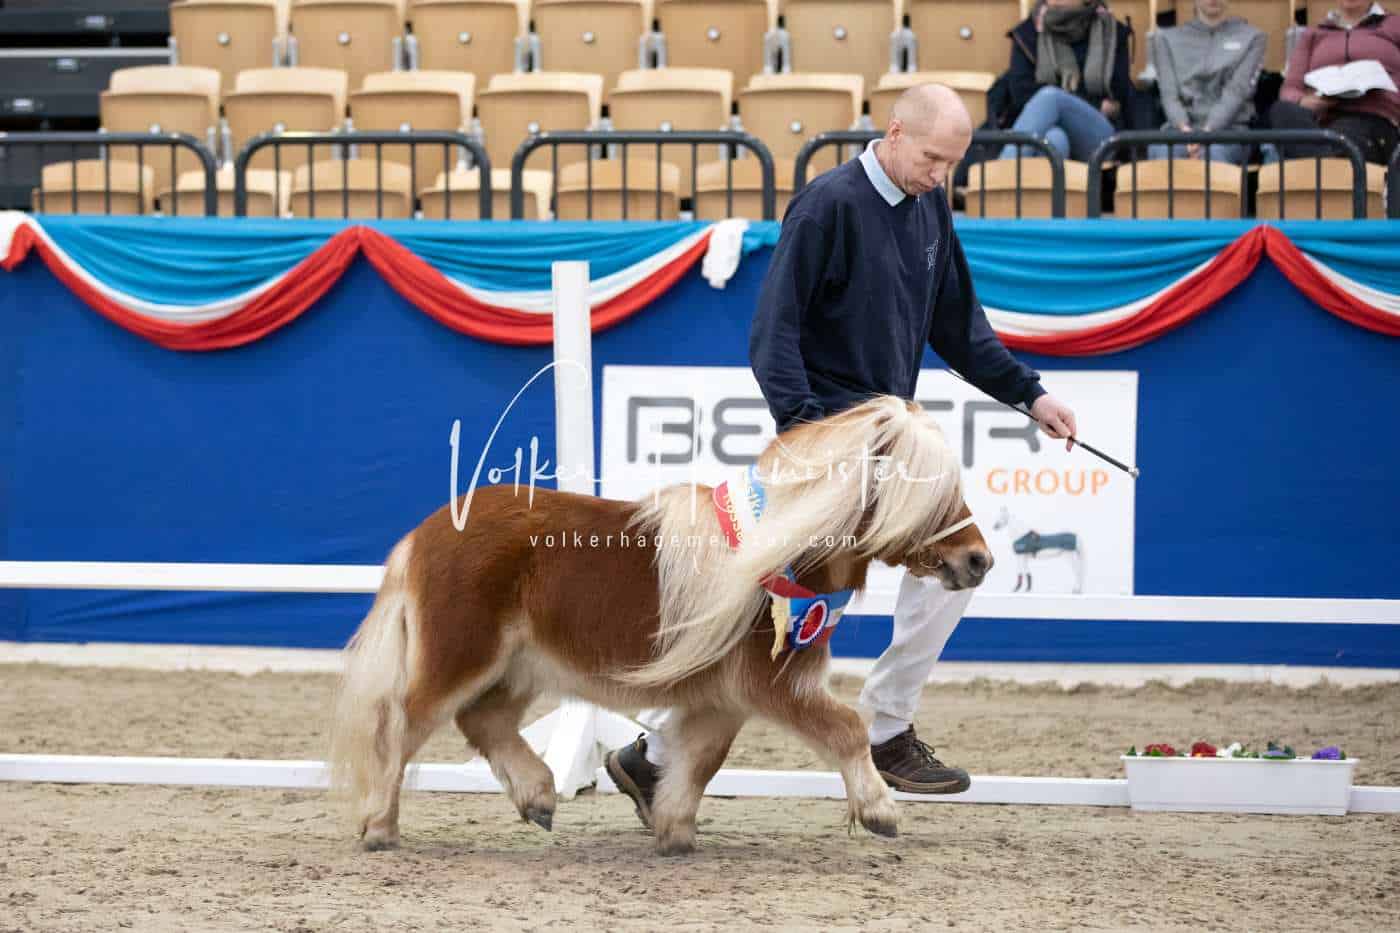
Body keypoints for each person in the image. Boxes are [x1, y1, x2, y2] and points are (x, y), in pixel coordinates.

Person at [605, 84, 1079, 828]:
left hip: (889, 446)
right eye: (932, 159)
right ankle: (660, 756)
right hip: (824, 445)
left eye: (951, 164)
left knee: (954, 565)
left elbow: (959, 326)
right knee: (773, 615)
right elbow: (773, 337)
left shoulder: (930, 205)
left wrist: (1031, 394)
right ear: (894, 133)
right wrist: (812, 441)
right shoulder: (826, 206)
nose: (940, 175)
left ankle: (884, 728)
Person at [998, 0, 1136, 161]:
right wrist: (1094, 102)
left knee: (1050, 97)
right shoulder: (1028, 32)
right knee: (1055, 139)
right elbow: (1021, 94)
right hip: (1046, 127)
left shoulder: (1111, 31)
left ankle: (1001, 172)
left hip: (1100, 137)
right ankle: (1022, 177)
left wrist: (1065, 100)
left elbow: (1118, 93)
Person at [1270, 1, 1400, 164]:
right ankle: (1331, 164)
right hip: (1324, 121)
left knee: (1348, 131)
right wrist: (1304, 101)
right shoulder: (1314, 33)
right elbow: (1290, 89)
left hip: (1375, 117)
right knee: (1282, 111)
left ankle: (1325, 167)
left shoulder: (1394, 25)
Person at [1150, 0, 1266, 164]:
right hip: (1178, 130)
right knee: (1163, 153)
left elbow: (1236, 92)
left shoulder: (1253, 37)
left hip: (1230, 132)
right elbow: (1169, 95)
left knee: (1214, 156)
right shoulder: (1165, 38)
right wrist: (1185, 131)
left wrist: (1206, 132)